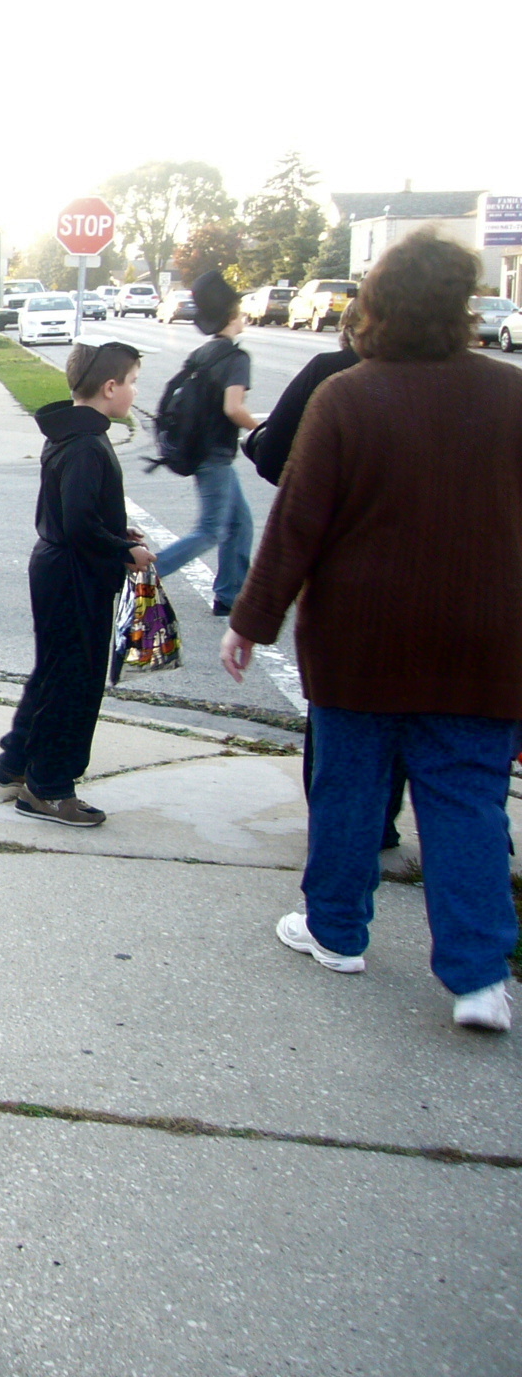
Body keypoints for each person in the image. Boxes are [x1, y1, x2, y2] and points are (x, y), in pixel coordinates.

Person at [221, 229, 522, 1034]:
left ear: (376, 306)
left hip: (360, 641)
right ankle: (479, 976)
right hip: (484, 643)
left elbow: (297, 525)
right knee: (470, 804)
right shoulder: (511, 396)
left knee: (349, 788)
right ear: (463, 307)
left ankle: (336, 930)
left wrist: (251, 620)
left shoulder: (348, 397)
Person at [244, 309, 410, 849]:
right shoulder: (478, 384)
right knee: (415, 707)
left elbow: (276, 461)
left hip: (347, 573)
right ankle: (385, 816)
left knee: (342, 711)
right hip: (445, 586)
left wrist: (253, 618)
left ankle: (341, 834)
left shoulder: (331, 377)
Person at [0, 341, 153, 826]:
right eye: (133, 382)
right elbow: (79, 523)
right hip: (73, 573)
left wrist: (116, 533)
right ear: (110, 387)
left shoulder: (74, 433)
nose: (135, 391)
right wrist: (123, 551)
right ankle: (48, 788)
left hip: (60, 567)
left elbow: (76, 511)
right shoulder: (86, 444)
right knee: (75, 683)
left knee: (55, 671)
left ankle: (18, 761)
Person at [154, 271, 259, 614]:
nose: (244, 316)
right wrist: (262, 429)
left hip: (200, 448)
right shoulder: (236, 358)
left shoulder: (204, 353)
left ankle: (229, 597)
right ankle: (147, 573)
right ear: (232, 316)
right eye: (240, 311)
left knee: (240, 523)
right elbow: (233, 408)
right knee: (211, 530)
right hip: (214, 454)